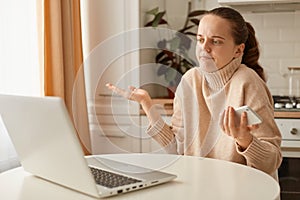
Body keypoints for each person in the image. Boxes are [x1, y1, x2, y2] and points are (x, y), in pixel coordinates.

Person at [106, 7, 282, 180]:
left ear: (238, 50)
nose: (204, 47)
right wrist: (147, 104)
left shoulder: (248, 82)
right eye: (200, 39)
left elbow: (271, 161)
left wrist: (245, 139)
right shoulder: (191, 80)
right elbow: (177, 148)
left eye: (216, 41)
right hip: (204, 187)